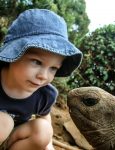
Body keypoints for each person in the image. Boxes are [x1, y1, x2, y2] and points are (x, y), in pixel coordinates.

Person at [0, 9, 82, 150]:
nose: (43, 76)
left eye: (53, 68)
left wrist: (48, 145)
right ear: (13, 54)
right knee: (4, 122)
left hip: (13, 140)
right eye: (37, 62)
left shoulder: (45, 94)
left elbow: (44, 119)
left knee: (43, 131)